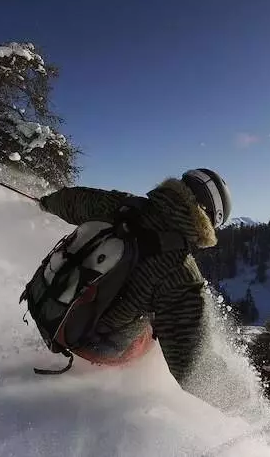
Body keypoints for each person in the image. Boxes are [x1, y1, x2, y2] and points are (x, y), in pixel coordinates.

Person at [37, 168, 231, 393]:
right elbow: (190, 367)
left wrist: (45, 203)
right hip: (93, 346)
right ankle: (110, 388)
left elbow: (71, 200)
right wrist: (251, 404)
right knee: (154, 335)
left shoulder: (123, 205)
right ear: (207, 222)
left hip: (51, 301)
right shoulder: (180, 270)